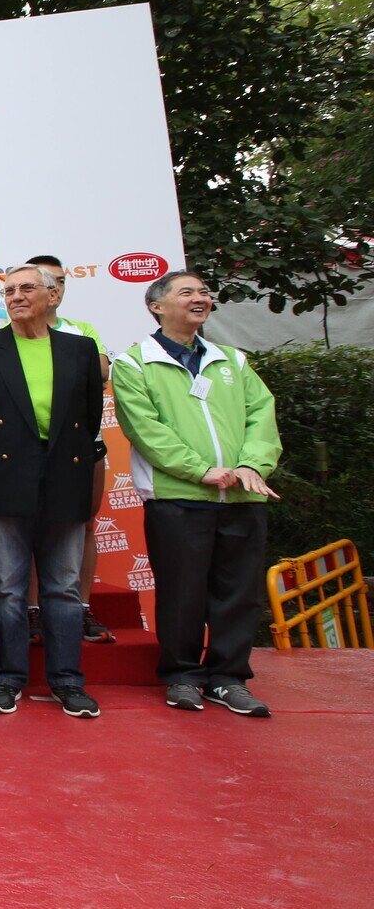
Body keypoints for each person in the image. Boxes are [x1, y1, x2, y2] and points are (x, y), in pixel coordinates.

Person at [112, 271, 282, 716]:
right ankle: (182, 674)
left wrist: (250, 465)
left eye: (204, 292)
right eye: (186, 292)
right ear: (157, 306)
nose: (200, 298)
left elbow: (261, 416)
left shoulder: (233, 360)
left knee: (239, 593)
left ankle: (229, 678)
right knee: (181, 592)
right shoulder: (135, 363)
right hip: (177, 498)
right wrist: (202, 470)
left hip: (243, 496)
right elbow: (146, 430)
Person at [0, 265, 104, 719]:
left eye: (27, 288)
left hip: (64, 477)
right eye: (9, 290)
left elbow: (87, 419)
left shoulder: (80, 348)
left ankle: (68, 681)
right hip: (3, 478)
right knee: (7, 588)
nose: (15, 296)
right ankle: (7, 677)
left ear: (53, 297)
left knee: (63, 587)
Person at [27, 255, 115, 645]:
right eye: (43, 283)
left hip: (81, 446)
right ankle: (32, 612)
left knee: (84, 525)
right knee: (26, 529)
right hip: (29, 449)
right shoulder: (8, 332)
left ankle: (80, 608)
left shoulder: (83, 330)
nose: (55, 289)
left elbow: (99, 374)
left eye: (59, 282)